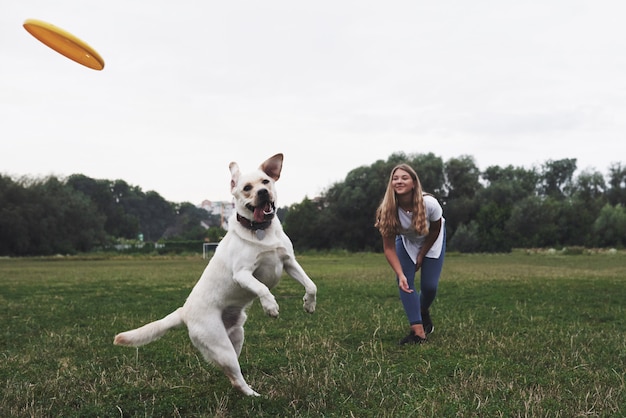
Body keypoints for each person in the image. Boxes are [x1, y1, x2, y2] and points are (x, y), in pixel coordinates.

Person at [375, 163, 446, 345]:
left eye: (404, 178)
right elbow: (389, 247)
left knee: (430, 286)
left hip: (432, 239)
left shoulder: (430, 203)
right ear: (391, 183)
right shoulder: (386, 209)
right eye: (395, 178)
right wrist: (400, 275)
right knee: (404, 282)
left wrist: (422, 255)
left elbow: (436, 229)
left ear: (414, 183)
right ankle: (418, 332)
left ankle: (422, 309)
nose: (399, 181)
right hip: (407, 242)